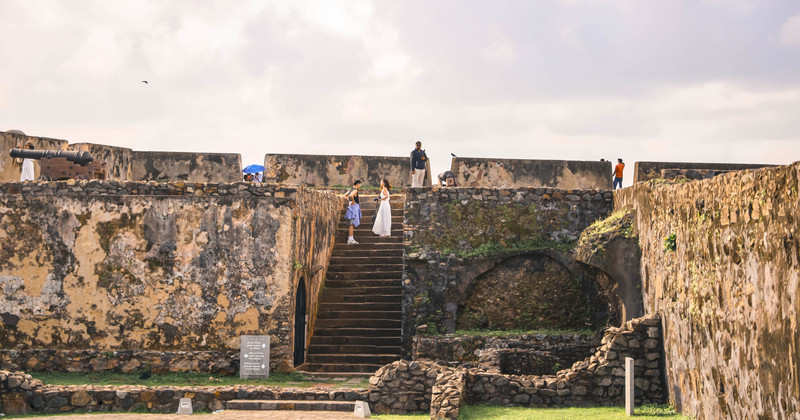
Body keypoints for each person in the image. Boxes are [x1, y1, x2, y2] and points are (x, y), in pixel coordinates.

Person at [344, 180, 362, 244]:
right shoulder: (355, 190)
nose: (360, 186)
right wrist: (353, 201)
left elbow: (345, 196)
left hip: (350, 207)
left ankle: (351, 239)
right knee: (351, 224)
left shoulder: (350, 189)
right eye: (360, 184)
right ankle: (350, 239)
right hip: (354, 207)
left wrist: (350, 201)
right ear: (357, 184)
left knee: (351, 223)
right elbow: (351, 196)